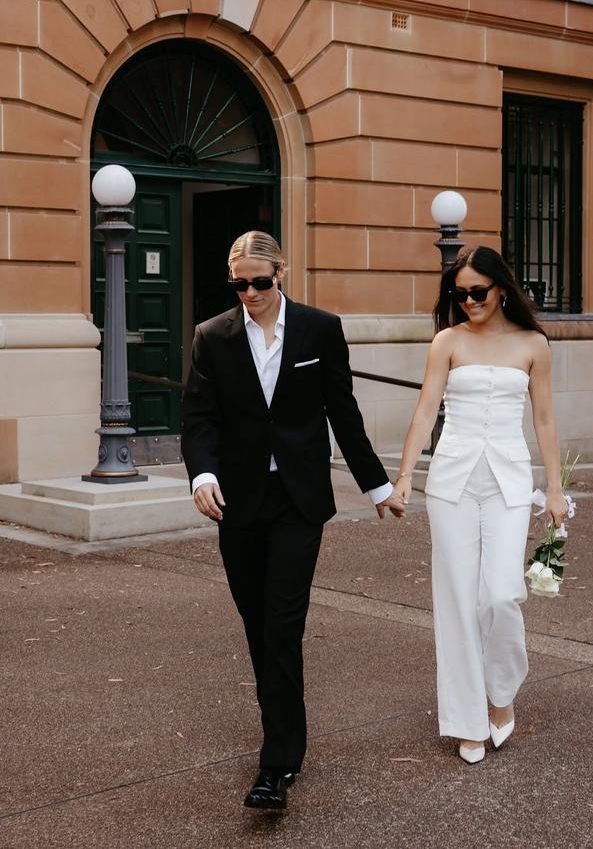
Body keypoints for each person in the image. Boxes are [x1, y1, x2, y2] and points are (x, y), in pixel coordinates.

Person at [181, 231, 405, 809]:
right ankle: (282, 731)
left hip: (299, 500)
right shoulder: (212, 336)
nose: (249, 292)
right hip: (239, 501)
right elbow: (200, 417)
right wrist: (202, 476)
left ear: (280, 273)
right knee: (258, 626)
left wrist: (377, 484)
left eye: (259, 281)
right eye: (239, 283)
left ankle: (277, 763)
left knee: (283, 623)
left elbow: (342, 410)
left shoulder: (319, 329)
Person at [396, 246, 567, 764]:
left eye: (478, 291)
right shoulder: (447, 341)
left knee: (499, 594)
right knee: (456, 601)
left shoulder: (533, 344)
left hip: (510, 483)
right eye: (460, 293)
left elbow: (544, 420)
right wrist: (404, 477)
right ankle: (468, 720)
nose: (468, 300)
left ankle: (502, 692)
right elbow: (426, 410)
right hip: (452, 483)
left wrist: (555, 488)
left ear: (501, 289)